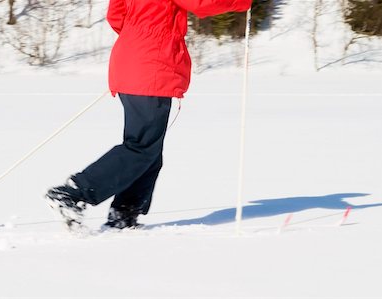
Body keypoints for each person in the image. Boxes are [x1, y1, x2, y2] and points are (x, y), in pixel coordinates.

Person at [46, 0, 252, 229]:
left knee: (150, 151)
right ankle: (73, 194)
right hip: (151, 66)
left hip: (133, 60)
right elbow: (203, 4)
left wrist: (137, 38)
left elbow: (116, 15)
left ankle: (124, 214)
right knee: (141, 147)